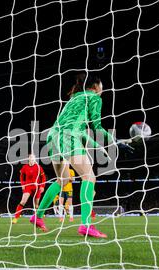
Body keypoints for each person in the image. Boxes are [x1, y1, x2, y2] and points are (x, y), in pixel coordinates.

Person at [30, 72, 132, 238]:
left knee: (62, 180)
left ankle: (38, 216)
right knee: (89, 177)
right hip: (68, 136)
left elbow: (81, 131)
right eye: (102, 86)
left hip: (52, 136)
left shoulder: (74, 98)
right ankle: (86, 225)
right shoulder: (94, 98)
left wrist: (100, 146)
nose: (103, 89)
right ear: (95, 87)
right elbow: (97, 127)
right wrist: (115, 140)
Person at [12, 154, 46, 224]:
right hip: (28, 186)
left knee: (36, 205)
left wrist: (42, 186)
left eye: (34, 158)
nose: (32, 159)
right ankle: (16, 217)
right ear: (29, 159)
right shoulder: (25, 167)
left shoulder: (38, 167)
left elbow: (43, 177)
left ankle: (38, 218)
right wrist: (22, 184)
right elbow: (21, 176)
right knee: (23, 201)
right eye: (31, 157)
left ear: (35, 159)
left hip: (37, 187)